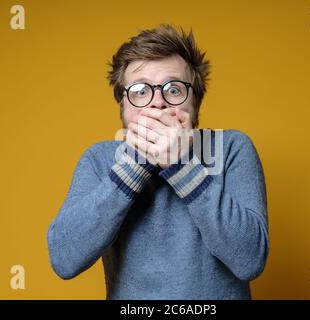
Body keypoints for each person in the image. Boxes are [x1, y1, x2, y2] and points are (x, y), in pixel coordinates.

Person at [47, 24, 269, 299]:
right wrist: (138, 161)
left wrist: (182, 164)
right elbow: (65, 259)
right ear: (123, 105)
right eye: (141, 90)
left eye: (174, 89)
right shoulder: (99, 159)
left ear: (195, 102)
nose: (157, 103)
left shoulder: (233, 148)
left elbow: (250, 260)